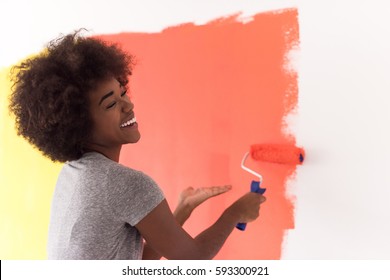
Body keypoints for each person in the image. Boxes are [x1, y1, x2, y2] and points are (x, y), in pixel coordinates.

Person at [8, 30, 266, 260]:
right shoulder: (121, 183)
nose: (128, 104)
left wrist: (184, 208)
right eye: (110, 104)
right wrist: (235, 213)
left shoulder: (75, 174)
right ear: (78, 124)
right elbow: (193, 259)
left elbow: (136, 263)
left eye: (122, 92)